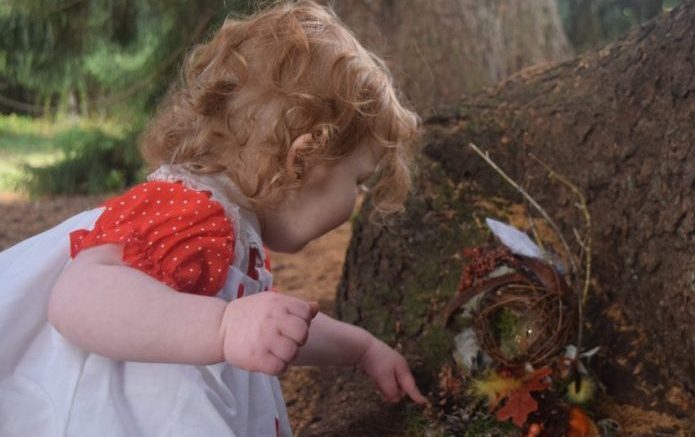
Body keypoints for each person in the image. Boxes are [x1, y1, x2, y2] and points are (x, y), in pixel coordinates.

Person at [0, 1, 426, 436]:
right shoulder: (194, 212)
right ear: (304, 158)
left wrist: (360, 350)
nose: (357, 199)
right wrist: (222, 328)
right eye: (357, 180)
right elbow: (77, 296)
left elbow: (278, 330)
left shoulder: (230, 229)